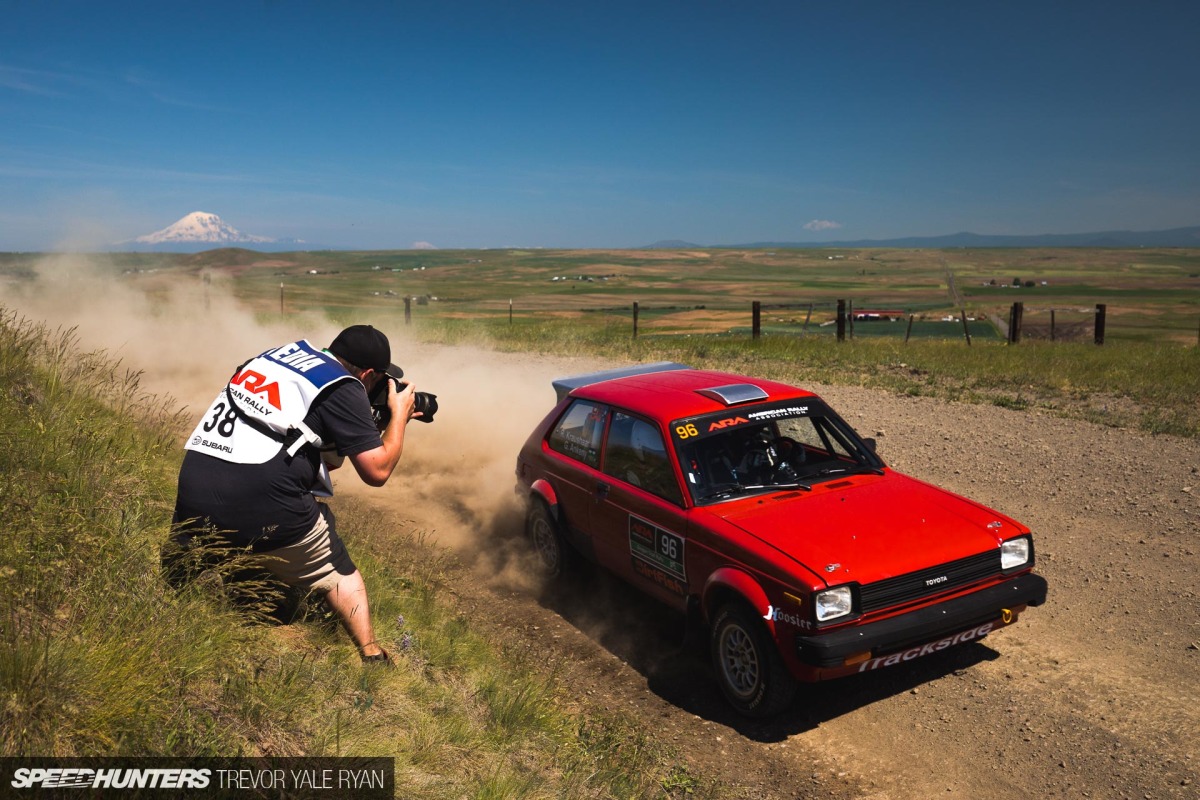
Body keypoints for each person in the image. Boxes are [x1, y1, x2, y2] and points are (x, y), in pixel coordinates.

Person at [167, 324, 419, 664]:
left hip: (192, 498)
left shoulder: (275, 359)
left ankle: (208, 571)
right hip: (260, 507)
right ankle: (371, 654)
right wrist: (398, 417)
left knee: (252, 513)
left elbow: (311, 452)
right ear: (369, 374)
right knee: (337, 567)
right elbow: (377, 471)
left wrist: (360, 426)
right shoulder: (345, 387)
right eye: (376, 384)